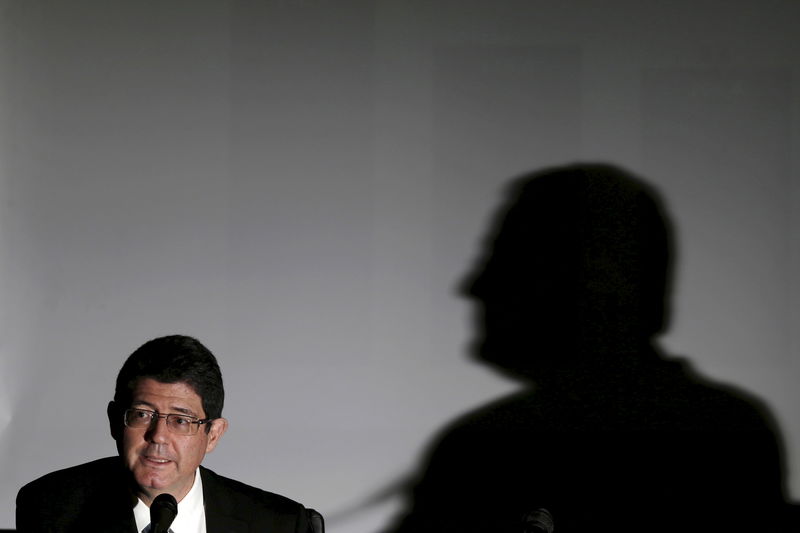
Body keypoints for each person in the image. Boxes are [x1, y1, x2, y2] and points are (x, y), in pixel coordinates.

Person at [384, 163, 790, 532]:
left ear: (584, 281)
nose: (473, 285)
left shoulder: (487, 451)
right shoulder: (729, 429)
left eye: (505, 258)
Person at [17, 334, 314, 532]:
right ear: (114, 422)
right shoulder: (52, 510)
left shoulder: (281, 524)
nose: (158, 436)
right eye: (142, 415)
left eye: (181, 421)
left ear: (213, 434)